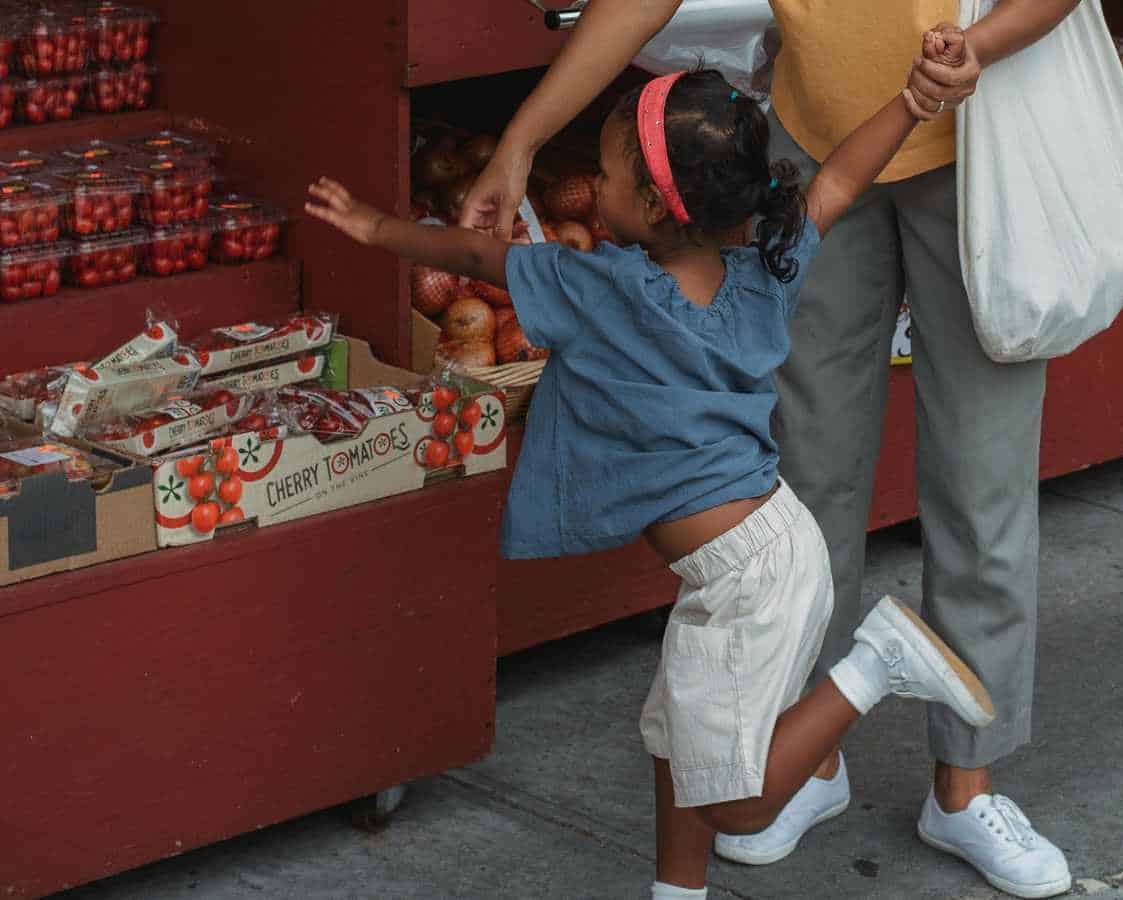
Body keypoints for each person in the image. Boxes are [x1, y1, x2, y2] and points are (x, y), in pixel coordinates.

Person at [306, 67, 998, 900]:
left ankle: (878, 663)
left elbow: (474, 254)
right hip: (761, 555)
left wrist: (377, 228)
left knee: (738, 804)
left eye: (605, 174)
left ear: (656, 206)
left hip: (753, 579)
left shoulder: (599, 288)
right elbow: (840, 181)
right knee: (678, 743)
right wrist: (913, 102)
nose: (592, 186)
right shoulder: (767, 268)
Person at [462, 3, 1081, 898]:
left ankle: (965, 784)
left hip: (981, 140)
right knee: (801, 468)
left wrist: (975, 49)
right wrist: (522, 140)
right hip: (810, 140)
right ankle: (807, 760)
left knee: (983, 475)